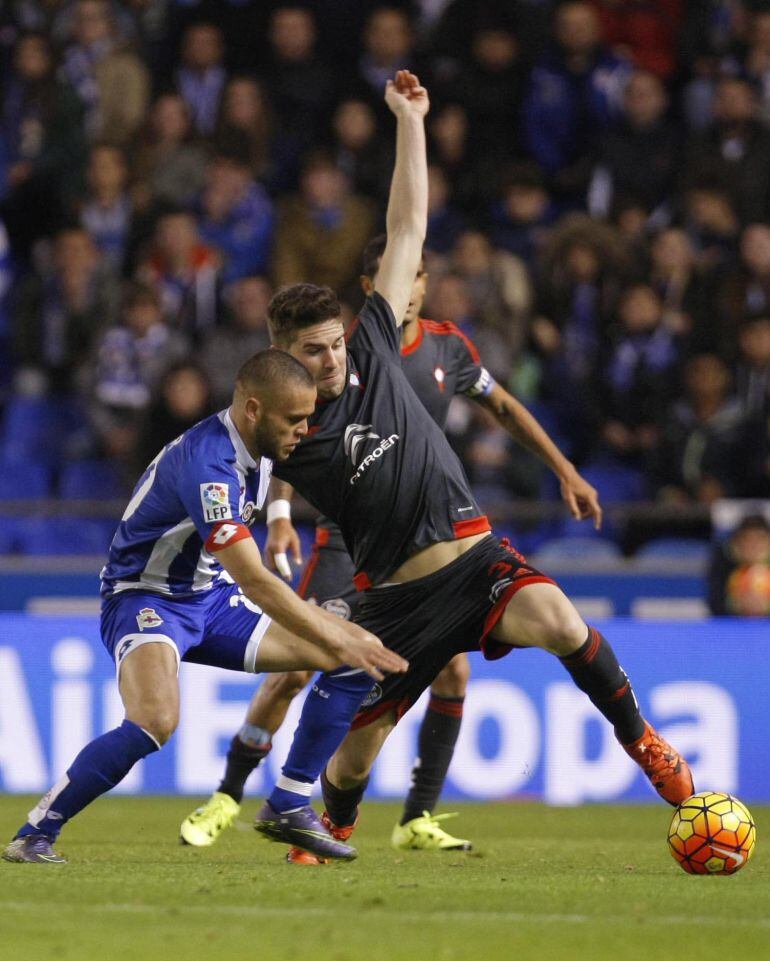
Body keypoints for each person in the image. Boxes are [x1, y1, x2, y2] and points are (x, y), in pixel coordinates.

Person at [231, 71, 692, 863]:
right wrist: (271, 524)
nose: (335, 357)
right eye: (314, 351)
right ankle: (326, 826)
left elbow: (407, 220)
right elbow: (237, 487)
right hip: (393, 601)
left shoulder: (376, 340)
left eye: (337, 341)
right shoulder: (285, 431)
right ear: (283, 356)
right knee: (355, 758)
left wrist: (409, 121)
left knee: (560, 620)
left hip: (475, 558)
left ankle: (649, 748)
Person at [180, 232, 529, 855]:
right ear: (378, 291)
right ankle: (227, 797)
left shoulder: (445, 349)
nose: (415, 285)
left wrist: (563, 471)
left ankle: (415, 817)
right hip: (348, 543)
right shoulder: (350, 351)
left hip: (417, 545)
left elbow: (501, 404)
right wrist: (281, 512)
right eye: (407, 275)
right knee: (296, 669)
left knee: (450, 669)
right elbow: (296, 443)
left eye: (423, 274)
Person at [2, 349, 406, 864]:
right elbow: (256, 580)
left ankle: (287, 800)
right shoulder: (208, 466)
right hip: (145, 597)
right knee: (155, 720)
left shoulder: (263, 443)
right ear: (254, 409)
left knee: (350, 659)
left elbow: (289, 481)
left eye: (307, 418)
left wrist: (282, 517)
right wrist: (336, 629)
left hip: (211, 599)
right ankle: (35, 833)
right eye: (294, 419)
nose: (304, 430)